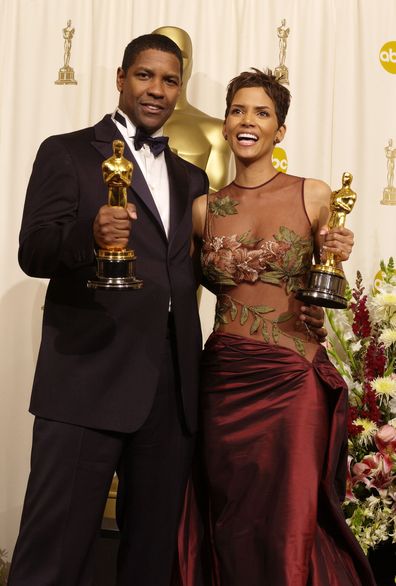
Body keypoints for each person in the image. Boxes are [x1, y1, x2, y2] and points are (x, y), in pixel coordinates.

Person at [8, 33, 209, 586]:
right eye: (145, 76)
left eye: (170, 81)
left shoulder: (190, 177)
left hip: (170, 396)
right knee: (52, 556)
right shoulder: (66, 151)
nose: (157, 90)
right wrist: (88, 235)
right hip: (86, 384)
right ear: (120, 78)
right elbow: (33, 251)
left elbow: (196, 270)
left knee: (150, 562)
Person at [177, 69, 375, 585]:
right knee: (230, 516)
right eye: (238, 110)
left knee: (288, 518)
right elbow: (181, 294)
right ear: (225, 124)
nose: (248, 121)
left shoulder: (314, 193)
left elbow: (324, 280)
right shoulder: (202, 210)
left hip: (292, 378)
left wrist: (336, 253)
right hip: (224, 381)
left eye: (262, 113)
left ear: (279, 130)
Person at [152, 26, 232, 193]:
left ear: (191, 63)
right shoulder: (124, 125)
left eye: (180, 55)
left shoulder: (215, 131)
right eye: (162, 51)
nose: (170, 61)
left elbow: (215, 202)